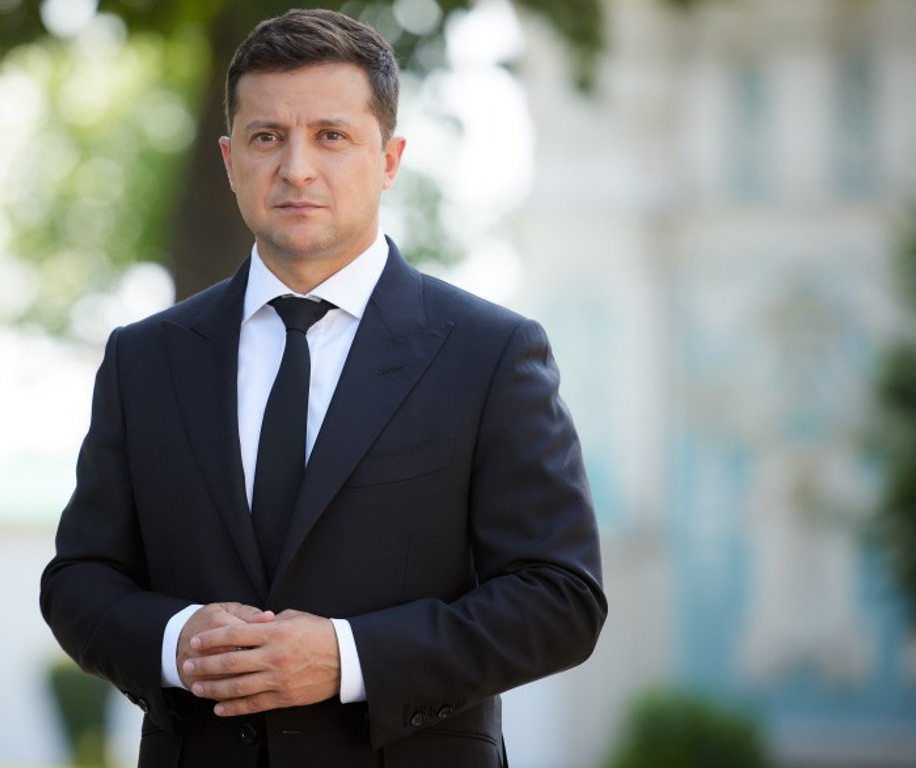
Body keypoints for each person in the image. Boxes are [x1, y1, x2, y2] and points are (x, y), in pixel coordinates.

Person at [40, 9, 606, 767]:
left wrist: (348, 657)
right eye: (266, 137)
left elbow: (560, 598)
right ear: (229, 158)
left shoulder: (490, 354)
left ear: (390, 158)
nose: (296, 168)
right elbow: (79, 580)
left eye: (331, 135)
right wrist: (178, 643)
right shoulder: (144, 359)